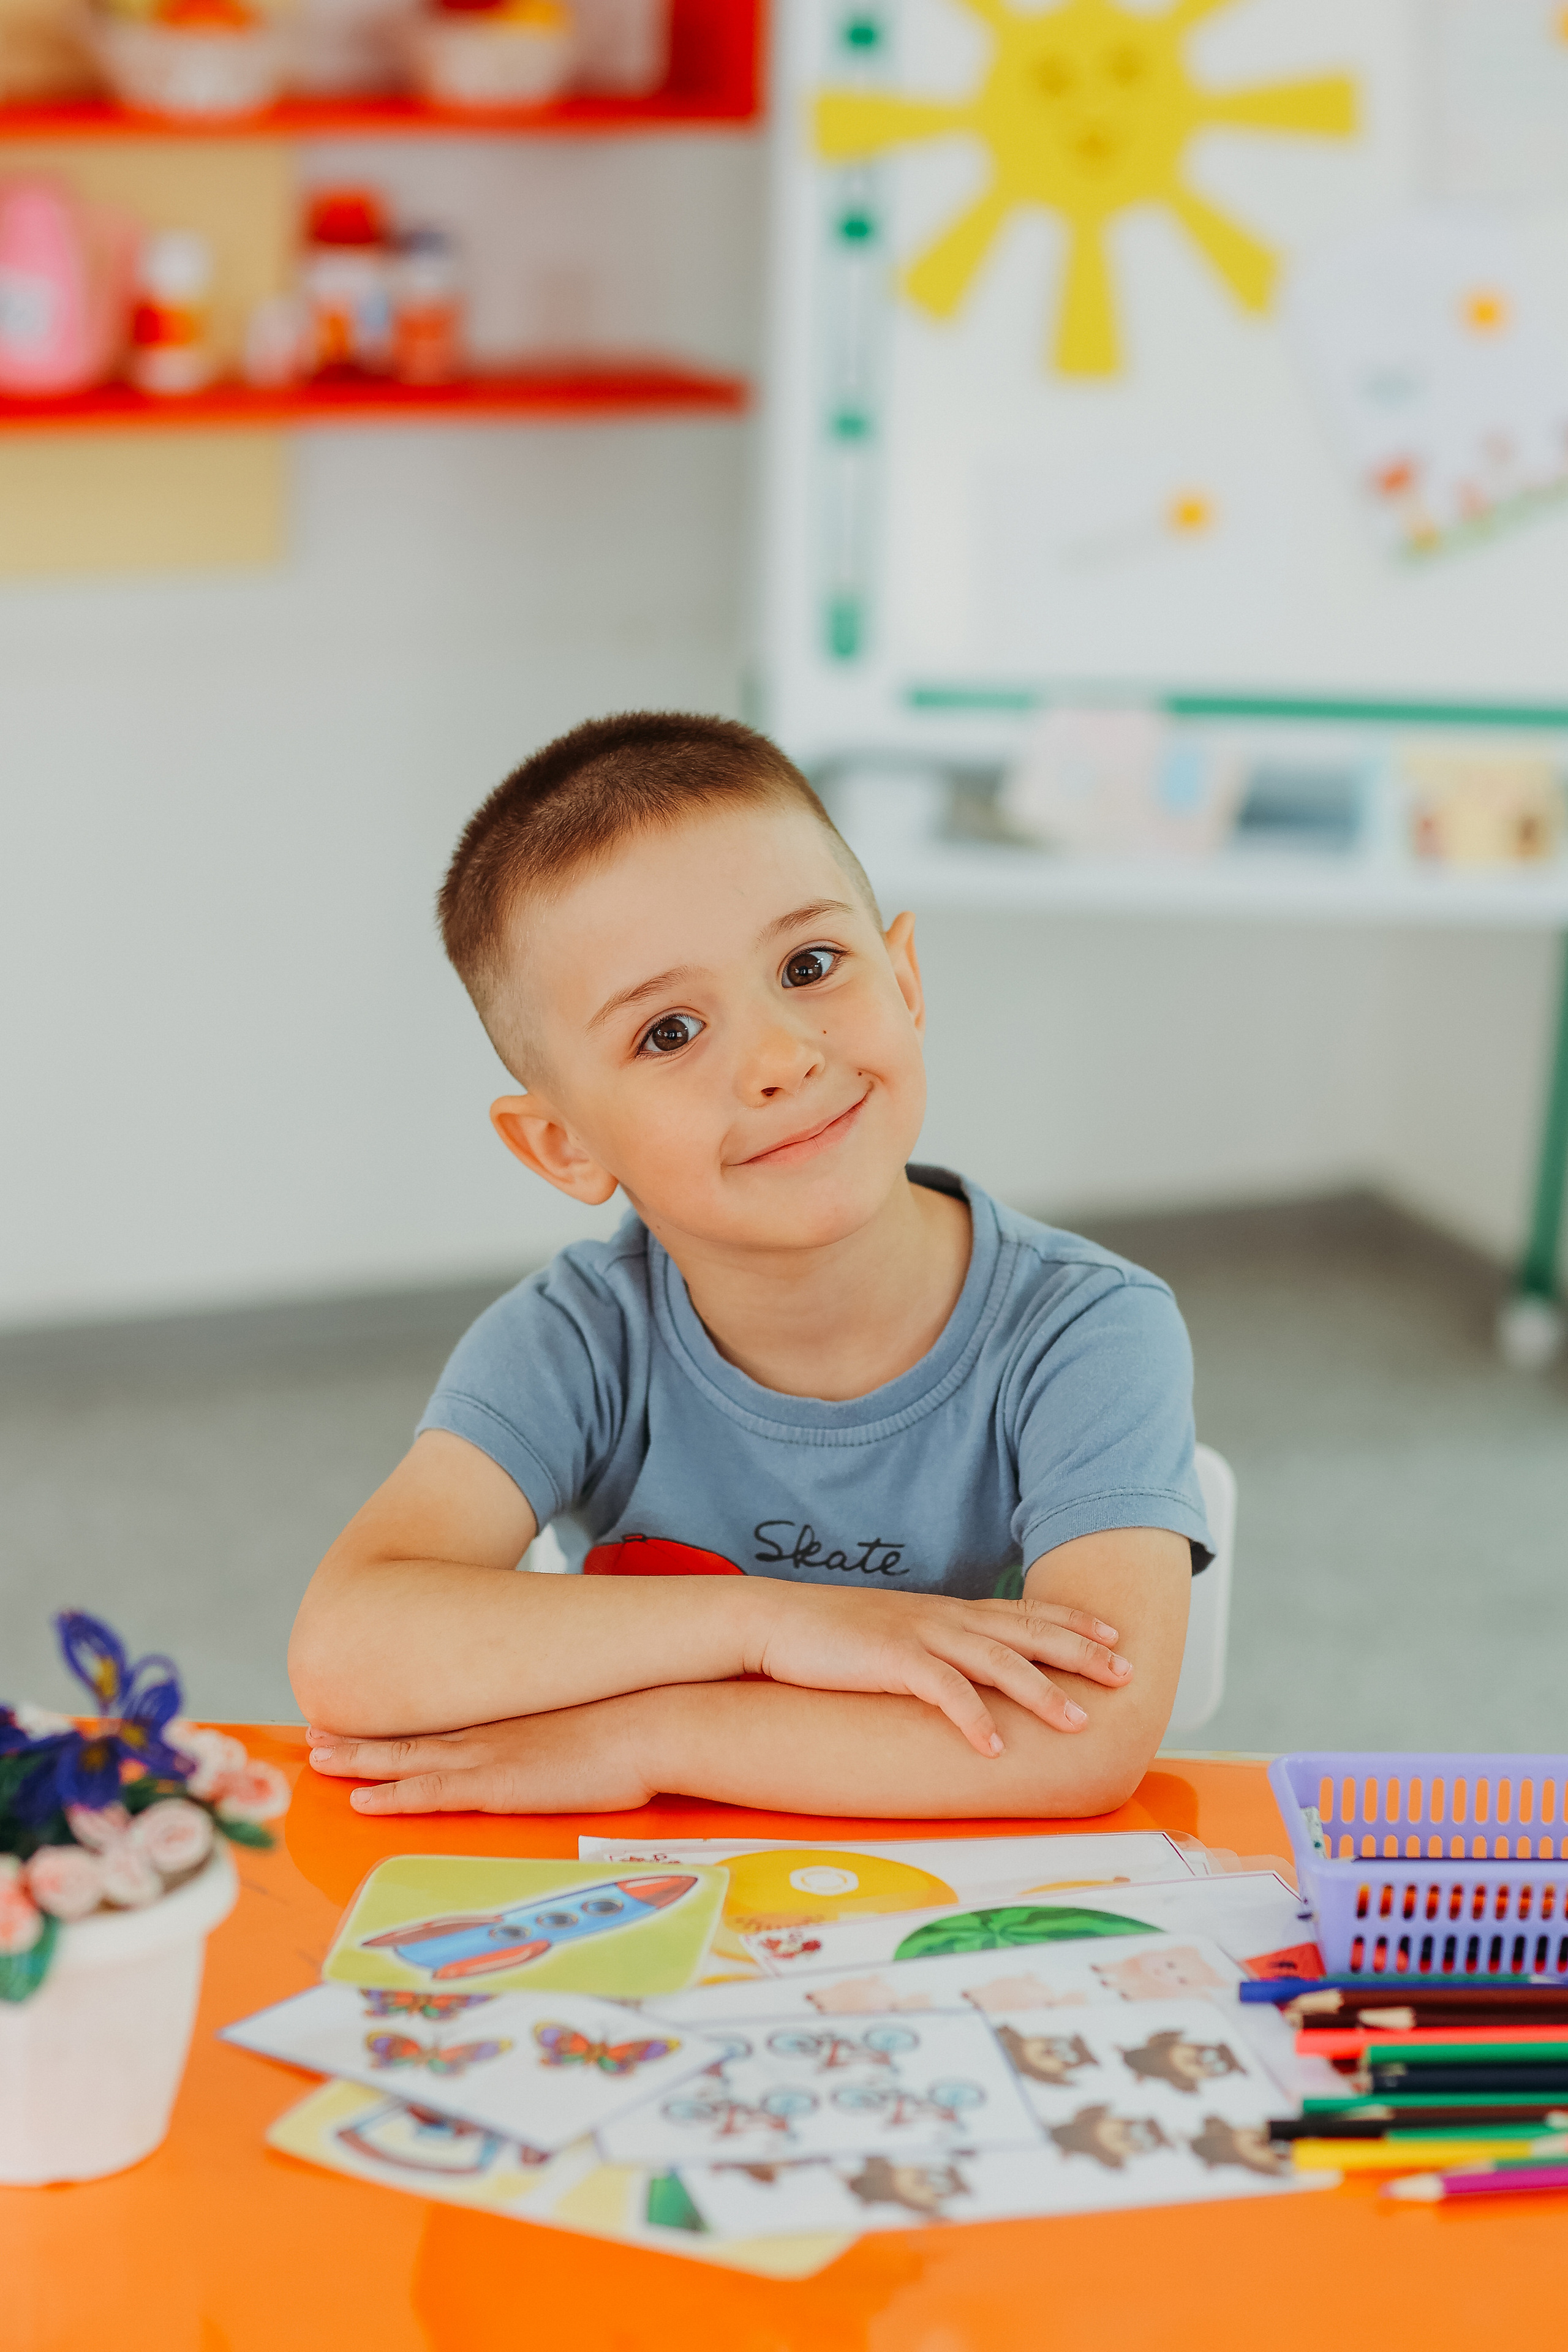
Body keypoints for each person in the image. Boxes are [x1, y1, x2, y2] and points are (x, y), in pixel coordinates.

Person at [291, 712, 1209, 1819]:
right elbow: (349, 1651)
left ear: (905, 981)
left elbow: (1082, 1737)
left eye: (811, 965)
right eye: (669, 1033)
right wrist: (773, 1624)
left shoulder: (1090, 1331)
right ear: (564, 1145)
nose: (782, 1057)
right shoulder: (578, 1340)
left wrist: (648, 1736)